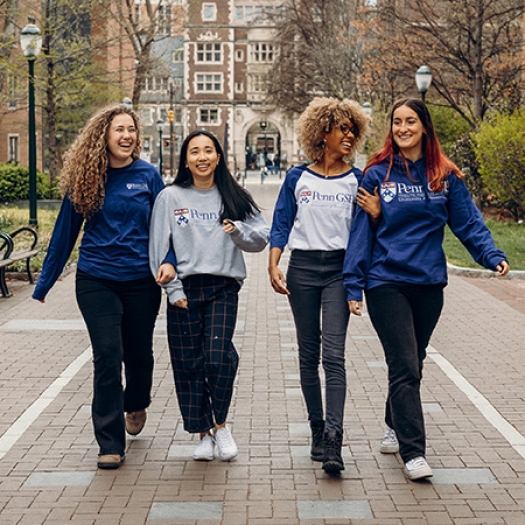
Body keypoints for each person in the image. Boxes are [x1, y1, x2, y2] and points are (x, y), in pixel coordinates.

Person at [343, 97, 510, 481]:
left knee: (413, 362)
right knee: (403, 364)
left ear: (424, 127)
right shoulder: (377, 175)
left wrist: (491, 255)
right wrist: (354, 284)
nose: (402, 128)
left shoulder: (444, 175)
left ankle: (393, 421)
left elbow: (468, 223)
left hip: (428, 283)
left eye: (410, 122)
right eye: (397, 122)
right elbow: (360, 234)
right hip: (386, 282)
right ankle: (413, 452)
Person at [32, 104, 176, 469]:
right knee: (108, 355)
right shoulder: (87, 177)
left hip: (142, 281)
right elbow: (65, 233)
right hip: (96, 278)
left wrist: (169, 260)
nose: (127, 135)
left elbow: (166, 227)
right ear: (104, 136)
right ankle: (110, 443)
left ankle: (137, 400)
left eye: (131, 129)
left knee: (139, 355)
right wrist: (44, 282)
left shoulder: (148, 176)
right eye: (119, 130)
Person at [268, 97, 379, 473]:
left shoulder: (357, 179)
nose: (349, 136)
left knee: (333, 355)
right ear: (322, 132)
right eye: (342, 129)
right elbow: (282, 222)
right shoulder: (298, 178)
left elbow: (367, 231)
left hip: (337, 271)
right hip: (302, 269)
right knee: (307, 353)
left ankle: (334, 437)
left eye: (353, 130)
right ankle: (316, 428)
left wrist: (377, 215)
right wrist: (274, 262)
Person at [149, 129, 269, 462]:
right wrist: (172, 290)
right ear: (185, 160)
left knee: (217, 357)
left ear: (218, 156)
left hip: (222, 286)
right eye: (194, 152)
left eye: (208, 151)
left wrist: (239, 231)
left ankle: (221, 424)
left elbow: (261, 238)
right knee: (188, 363)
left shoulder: (233, 195)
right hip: (185, 288)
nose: (202, 157)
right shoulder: (170, 197)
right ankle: (202, 433)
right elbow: (159, 248)